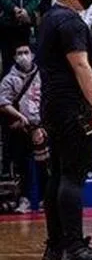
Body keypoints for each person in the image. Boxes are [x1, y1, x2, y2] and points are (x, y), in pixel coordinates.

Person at [36, 0, 92, 260]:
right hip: (72, 107)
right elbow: (81, 65)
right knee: (73, 175)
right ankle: (75, 247)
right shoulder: (70, 22)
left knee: (57, 174)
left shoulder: (48, 18)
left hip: (52, 105)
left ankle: (55, 245)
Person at [0, 44, 44, 214]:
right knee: (22, 165)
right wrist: (19, 117)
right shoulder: (9, 79)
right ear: (14, 57)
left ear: (32, 55)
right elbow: (3, 102)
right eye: (19, 53)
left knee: (44, 165)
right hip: (20, 128)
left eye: (26, 52)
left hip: (41, 128)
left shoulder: (42, 74)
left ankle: (45, 199)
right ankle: (24, 199)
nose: (23, 56)